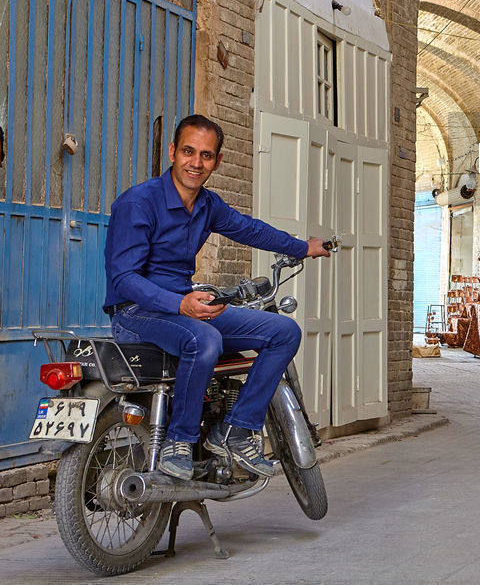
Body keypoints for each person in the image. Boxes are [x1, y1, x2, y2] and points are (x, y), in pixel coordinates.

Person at [103, 114, 330, 481]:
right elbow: (124, 278)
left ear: (217, 161)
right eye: (189, 152)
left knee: (284, 331)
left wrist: (303, 247)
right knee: (205, 338)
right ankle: (179, 440)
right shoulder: (138, 203)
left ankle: (236, 430)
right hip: (137, 312)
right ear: (173, 152)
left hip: (185, 306)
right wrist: (180, 304)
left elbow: (250, 229)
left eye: (206, 156)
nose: (196, 163)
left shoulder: (207, 205)